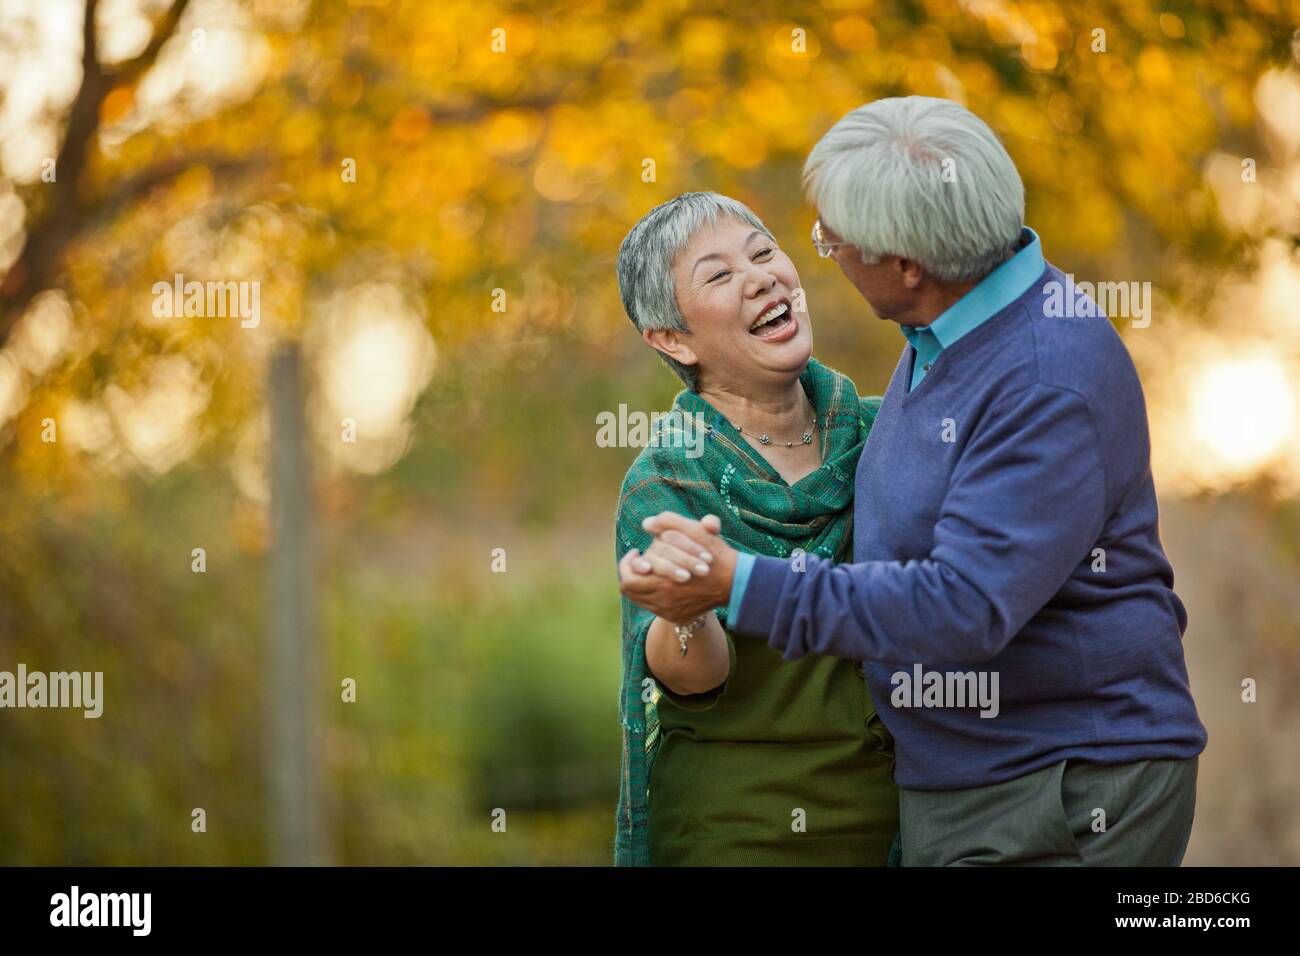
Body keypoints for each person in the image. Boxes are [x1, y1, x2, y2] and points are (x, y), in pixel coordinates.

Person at [620, 98, 1207, 867]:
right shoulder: (943, 338)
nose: (802, 261)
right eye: (723, 273)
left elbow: (961, 606)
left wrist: (740, 583)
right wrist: (692, 609)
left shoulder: (1038, 377)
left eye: (830, 240)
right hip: (934, 792)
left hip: (1058, 786)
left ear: (906, 266)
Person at [613, 191, 898, 866]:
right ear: (672, 338)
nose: (761, 277)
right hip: (738, 833)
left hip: (904, 824)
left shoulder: (891, 432)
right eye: (718, 275)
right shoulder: (668, 481)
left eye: (764, 252)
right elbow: (694, 680)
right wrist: (687, 611)